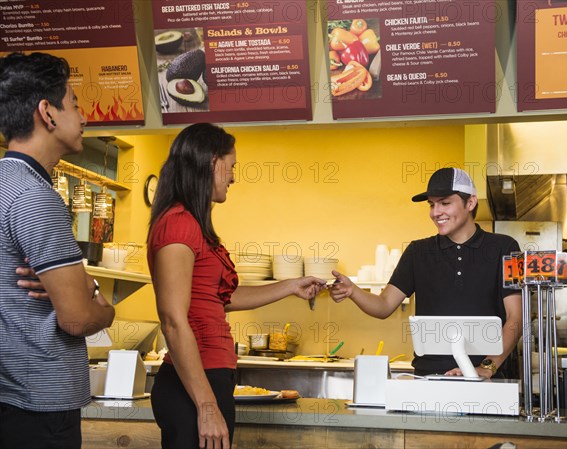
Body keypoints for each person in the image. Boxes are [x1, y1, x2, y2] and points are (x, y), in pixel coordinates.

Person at [147, 123, 325, 449]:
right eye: (231, 167)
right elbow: (173, 320)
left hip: (210, 378)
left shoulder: (192, 224)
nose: (233, 177)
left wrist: (290, 286)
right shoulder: (178, 224)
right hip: (194, 386)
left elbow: (221, 299)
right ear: (210, 162)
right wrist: (206, 405)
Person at [0, 52, 115, 448]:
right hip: (40, 408)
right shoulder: (36, 197)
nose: (84, 119)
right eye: (76, 106)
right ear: (47, 113)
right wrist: (103, 304)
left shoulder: (5, 183)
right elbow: (78, 321)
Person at [329, 167, 522, 378]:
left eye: (445, 203)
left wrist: (487, 368)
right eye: (432, 204)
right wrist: (352, 291)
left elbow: (516, 319)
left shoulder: (505, 248)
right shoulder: (418, 252)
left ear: (471, 203)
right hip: (429, 379)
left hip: (487, 381)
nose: (435, 212)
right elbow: (384, 306)